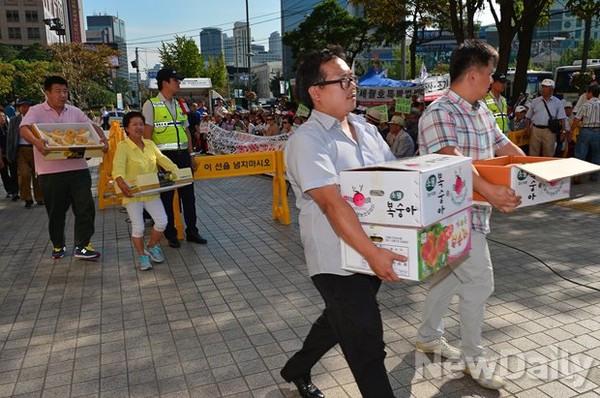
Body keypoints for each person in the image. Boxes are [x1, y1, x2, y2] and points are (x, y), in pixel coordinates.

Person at [281, 45, 406, 398]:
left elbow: (394, 180)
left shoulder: (365, 130)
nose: (353, 85)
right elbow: (332, 203)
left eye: (353, 77)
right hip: (335, 260)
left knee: (339, 322)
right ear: (316, 92)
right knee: (366, 339)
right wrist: (374, 254)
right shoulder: (307, 140)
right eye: (343, 80)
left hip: (370, 252)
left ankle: (296, 368)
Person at [416, 40, 525, 390]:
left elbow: (504, 145)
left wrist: (529, 169)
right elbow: (451, 160)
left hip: (474, 213)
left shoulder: (480, 109)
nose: (493, 81)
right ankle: (472, 359)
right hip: (449, 217)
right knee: (480, 281)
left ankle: (429, 336)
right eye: (490, 74)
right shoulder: (440, 113)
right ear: (474, 74)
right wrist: (490, 190)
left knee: (450, 275)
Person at [19, 75, 109, 260]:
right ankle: (58, 245)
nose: (62, 95)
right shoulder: (36, 111)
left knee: (85, 207)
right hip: (50, 172)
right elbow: (24, 128)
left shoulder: (74, 111)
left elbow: (92, 126)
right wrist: (36, 141)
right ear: (48, 93)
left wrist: (103, 139)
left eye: (65, 91)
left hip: (78, 169)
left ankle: (83, 246)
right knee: (56, 212)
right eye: (58, 91)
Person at [142, 67, 207, 248]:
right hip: (164, 159)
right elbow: (148, 135)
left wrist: (191, 155)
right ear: (165, 83)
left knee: (188, 197)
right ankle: (171, 234)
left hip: (183, 157)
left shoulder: (179, 104)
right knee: (168, 198)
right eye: (176, 80)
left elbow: (186, 130)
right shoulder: (151, 104)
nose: (179, 83)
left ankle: (192, 232)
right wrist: (152, 161)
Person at [113, 111, 179, 270]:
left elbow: (163, 159)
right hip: (132, 194)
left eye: (141, 124)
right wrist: (120, 182)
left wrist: (178, 171)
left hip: (151, 192)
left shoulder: (150, 144)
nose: (139, 127)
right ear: (127, 128)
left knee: (162, 221)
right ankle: (142, 256)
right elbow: (118, 168)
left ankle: (152, 246)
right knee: (139, 227)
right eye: (134, 124)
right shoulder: (123, 147)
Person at [6, 99, 43, 208]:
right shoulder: (14, 120)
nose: (24, 108)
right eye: (22, 106)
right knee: (24, 175)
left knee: (37, 175)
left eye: (27, 106)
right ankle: (27, 198)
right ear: (18, 108)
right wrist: (9, 153)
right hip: (21, 151)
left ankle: (40, 197)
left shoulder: (36, 120)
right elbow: (10, 138)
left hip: (35, 149)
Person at [525, 79, 567, 157]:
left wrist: (563, 132)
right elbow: (528, 117)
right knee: (533, 153)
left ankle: (546, 169)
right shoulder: (535, 101)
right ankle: (532, 169)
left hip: (549, 131)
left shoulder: (557, 102)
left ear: (551, 89)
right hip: (535, 130)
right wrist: (528, 130)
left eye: (546, 87)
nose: (543, 89)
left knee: (548, 153)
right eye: (543, 87)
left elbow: (562, 118)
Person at [572, 84, 600, 183]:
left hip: (586, 131)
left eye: (587, 92)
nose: (586, 94)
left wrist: (571, 130)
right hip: (598, 131)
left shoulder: (586, 105)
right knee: (597, 154)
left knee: (580, 154)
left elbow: (577, 119)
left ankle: (577, 176)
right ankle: (594, 176)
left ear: (590, 93)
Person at [0, 107, 19, 200]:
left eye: (3, 116)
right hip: (1, 155)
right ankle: (9, 190)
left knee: (14, 173)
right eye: (0, 117)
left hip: (10, 154)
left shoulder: (9, 126)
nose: (2, 118)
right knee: (4, 174)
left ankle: (15, 192)